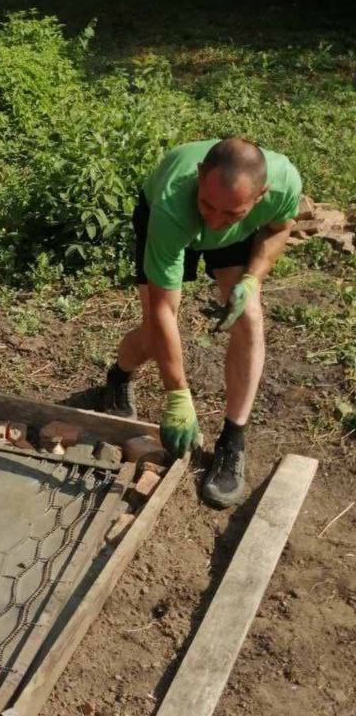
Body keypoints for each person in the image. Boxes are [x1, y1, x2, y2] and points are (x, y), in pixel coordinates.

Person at [102, 136, 301, 507]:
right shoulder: (175, 203)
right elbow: (165, 312)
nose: (214, 220)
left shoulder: (285, 182)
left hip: (237, 236)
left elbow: (278, 228)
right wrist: (177, 394)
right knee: (152, 331)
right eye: (208, 205)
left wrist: (252, 278)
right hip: (171, 223)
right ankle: (119, 374)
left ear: (261, 196)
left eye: (230, 213)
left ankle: (233, 439)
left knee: (250, 318)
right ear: (198, 176)